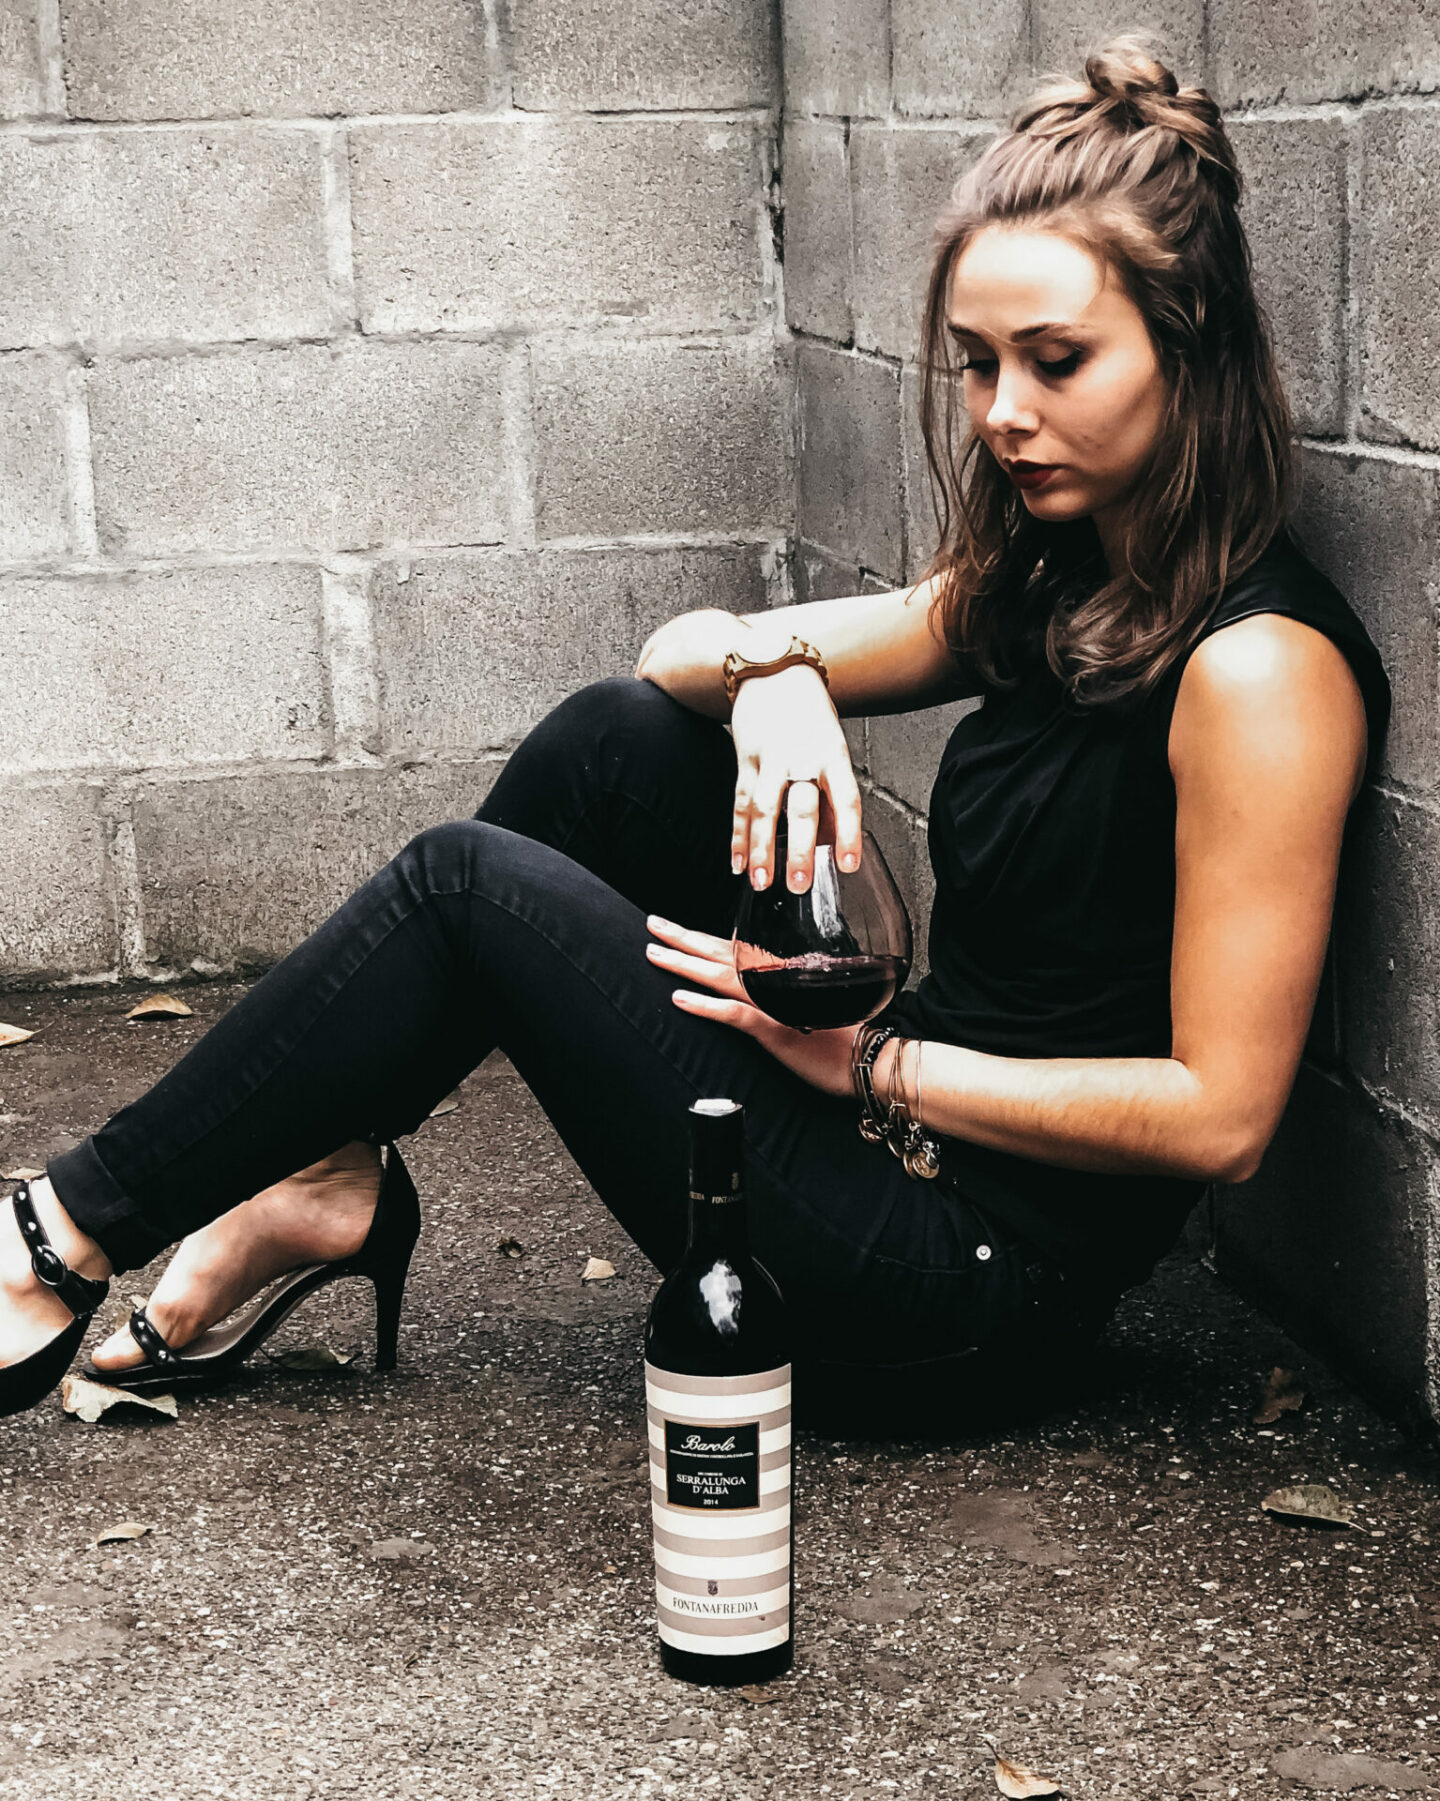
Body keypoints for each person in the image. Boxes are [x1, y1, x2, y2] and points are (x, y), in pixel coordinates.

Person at [0, 40, 1390, 1430]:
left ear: (1191, 341)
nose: (1004, 413)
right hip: (882, 1138)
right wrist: (782, 668)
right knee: (620, 740)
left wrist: (872, 1066)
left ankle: (58, 1240)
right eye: (977, 364)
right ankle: (317, 1176)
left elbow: (1223, 1114)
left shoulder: (1261, 671)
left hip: (965, 1286)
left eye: (1057, 360)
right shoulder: (1052, 573)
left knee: (464, 886)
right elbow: (672, 664)